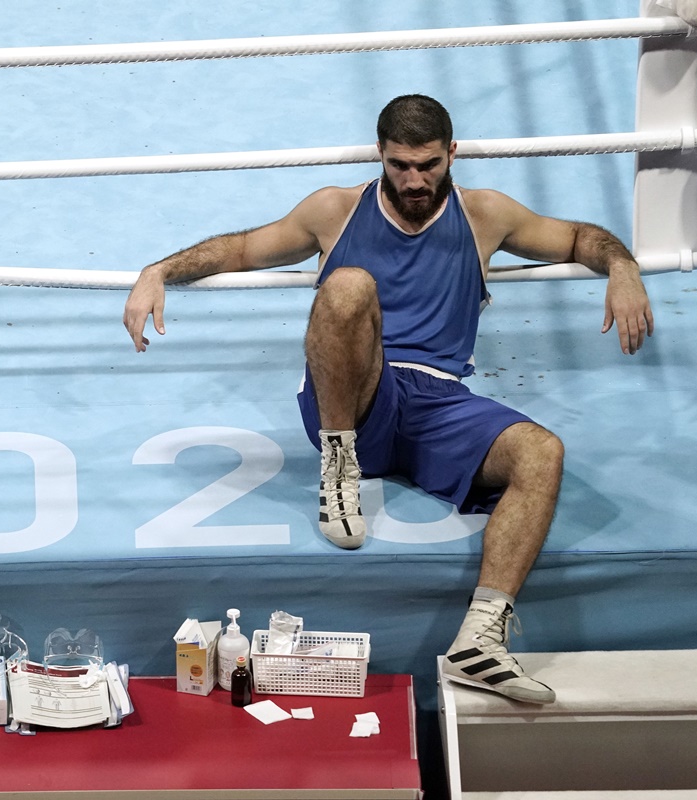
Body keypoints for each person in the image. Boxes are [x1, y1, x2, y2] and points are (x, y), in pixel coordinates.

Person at [122, 94, 653, 704]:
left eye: (427, 165)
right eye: (400, 165)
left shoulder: (485, 215)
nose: (414, 179)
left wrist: (623, 268)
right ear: (381, 154)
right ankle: (339, 465)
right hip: (355, 394)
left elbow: (579, 237)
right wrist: (156, 271)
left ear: (451, 154)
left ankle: (479, 642)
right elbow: (242, 249)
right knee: (349, 284)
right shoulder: (336, 211)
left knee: (542, 452)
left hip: (442, 402)